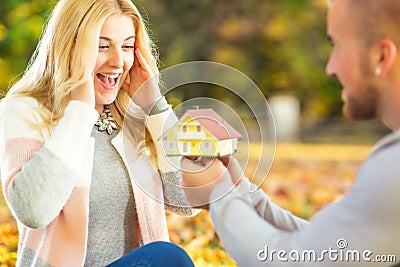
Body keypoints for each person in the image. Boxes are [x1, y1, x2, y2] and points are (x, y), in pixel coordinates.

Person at [182, 0, 400, 266]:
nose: (330, 67)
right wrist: (244, 194)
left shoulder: (394, 169)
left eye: (337, 45)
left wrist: (220, 194)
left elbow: (292, 261)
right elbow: (329, 248)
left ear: (381, 57)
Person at [0, 0, 196, 266]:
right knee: (168, 257)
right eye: (102, 46)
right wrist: (80, 111)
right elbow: (34, 211)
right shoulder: (24, 109)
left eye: (127, 46)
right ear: (69, 47)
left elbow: (189, 200)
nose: (118, 61)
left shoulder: (132, 115)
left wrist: (156, 107)